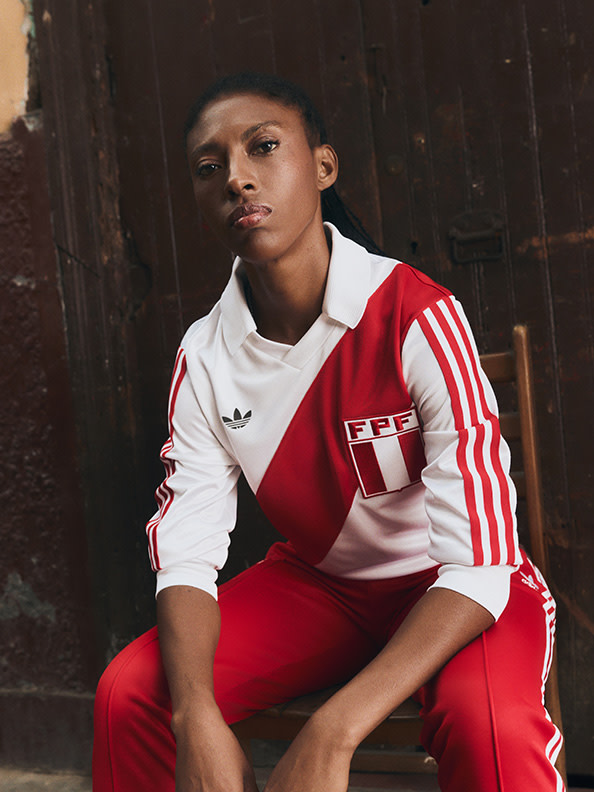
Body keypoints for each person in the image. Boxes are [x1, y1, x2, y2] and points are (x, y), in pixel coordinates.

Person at [92, 72, 564, 792]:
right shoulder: (206, 354)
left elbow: (481, 563)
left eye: (264, 147)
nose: (238, 179)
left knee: (489, 731)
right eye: (209, 168)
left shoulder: (415, 314)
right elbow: (186, 551)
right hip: (324, 588)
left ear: (322, 167)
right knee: (133, 694)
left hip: (455, 588)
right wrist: (192, 716)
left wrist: (332, 730)